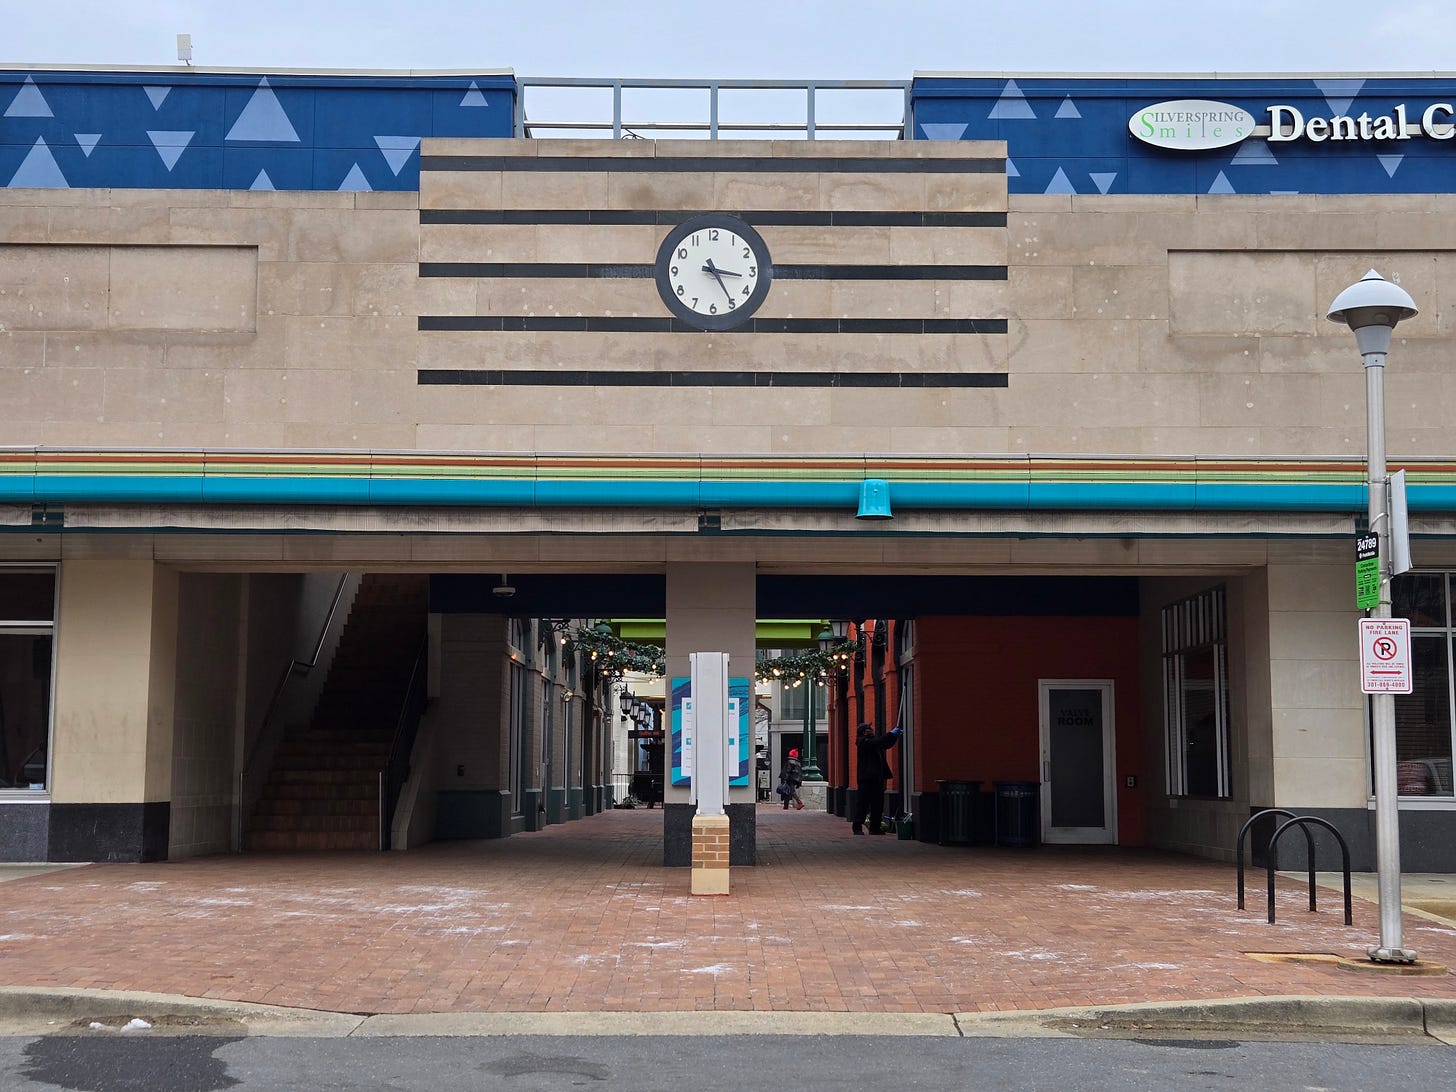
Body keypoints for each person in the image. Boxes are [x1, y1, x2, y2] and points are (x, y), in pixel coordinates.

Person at [852, 722, 901, 835]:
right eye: (869, 729)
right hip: (866, 778)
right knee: (863, 803)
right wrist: (891, 734)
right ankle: (857, 826)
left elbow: (885, 744)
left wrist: (894, 737)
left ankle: (875, 827)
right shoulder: (863, 742)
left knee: (877, 804)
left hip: (877, 777)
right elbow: (879, 742)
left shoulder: (873, 742)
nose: (872, 730)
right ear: (864, 732)